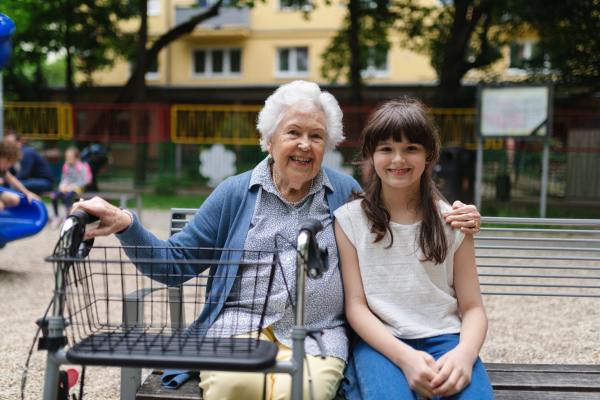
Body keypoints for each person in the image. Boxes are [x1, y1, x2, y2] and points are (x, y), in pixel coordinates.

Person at [73, 81, 482, 400]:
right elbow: (174, 264)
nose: (305, 145)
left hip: (318, 332)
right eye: (293, 133)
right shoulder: (235, 193)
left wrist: (451, 210)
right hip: (237, 328)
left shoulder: (343, 192)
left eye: (317, 136)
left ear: (328, 146)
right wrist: (126, 222)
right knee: (237, 389)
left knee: (304, 392)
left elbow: (400, 186)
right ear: (269, 140)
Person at [334, 99, 493, 400]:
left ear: (429, 155)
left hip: (447, 339)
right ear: (370, 155)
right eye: (386, 149)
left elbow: (473, 308)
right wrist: (404, 358)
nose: (398, 159)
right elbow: (356, 306)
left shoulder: (454, 221)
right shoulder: (349, 221)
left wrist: (465, 354)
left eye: (411, 148)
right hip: (382, 343)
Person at [50, 146, 89, 228]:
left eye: (70, 158)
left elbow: (84, 181)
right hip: (67, 187)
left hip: (77, 188)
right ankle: (56, 216)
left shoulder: (80, 166)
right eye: (67, 158)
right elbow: (64, 178)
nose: (68, 159)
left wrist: (72, 187)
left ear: (76, 158)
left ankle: (68, 217)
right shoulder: (66, 166)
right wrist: (62, 186)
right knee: (53, 196)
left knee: (66, 197)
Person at [0, 140, 42, 210]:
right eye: (6, 162)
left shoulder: (2, 169)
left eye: (11, 163)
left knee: (14, 199)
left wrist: (27, 193)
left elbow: (12, 179)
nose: (8, 165)